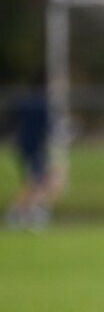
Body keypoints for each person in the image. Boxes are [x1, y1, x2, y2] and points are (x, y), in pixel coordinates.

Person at [3, 75, 59, 230]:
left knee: (43, 180)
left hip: (25, 148)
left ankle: (30, 211)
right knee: (35, 182)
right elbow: (49, 128)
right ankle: (19, 213)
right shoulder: (41, 104)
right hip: (32, 149)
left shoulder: (24, 102)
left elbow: (9, 124)